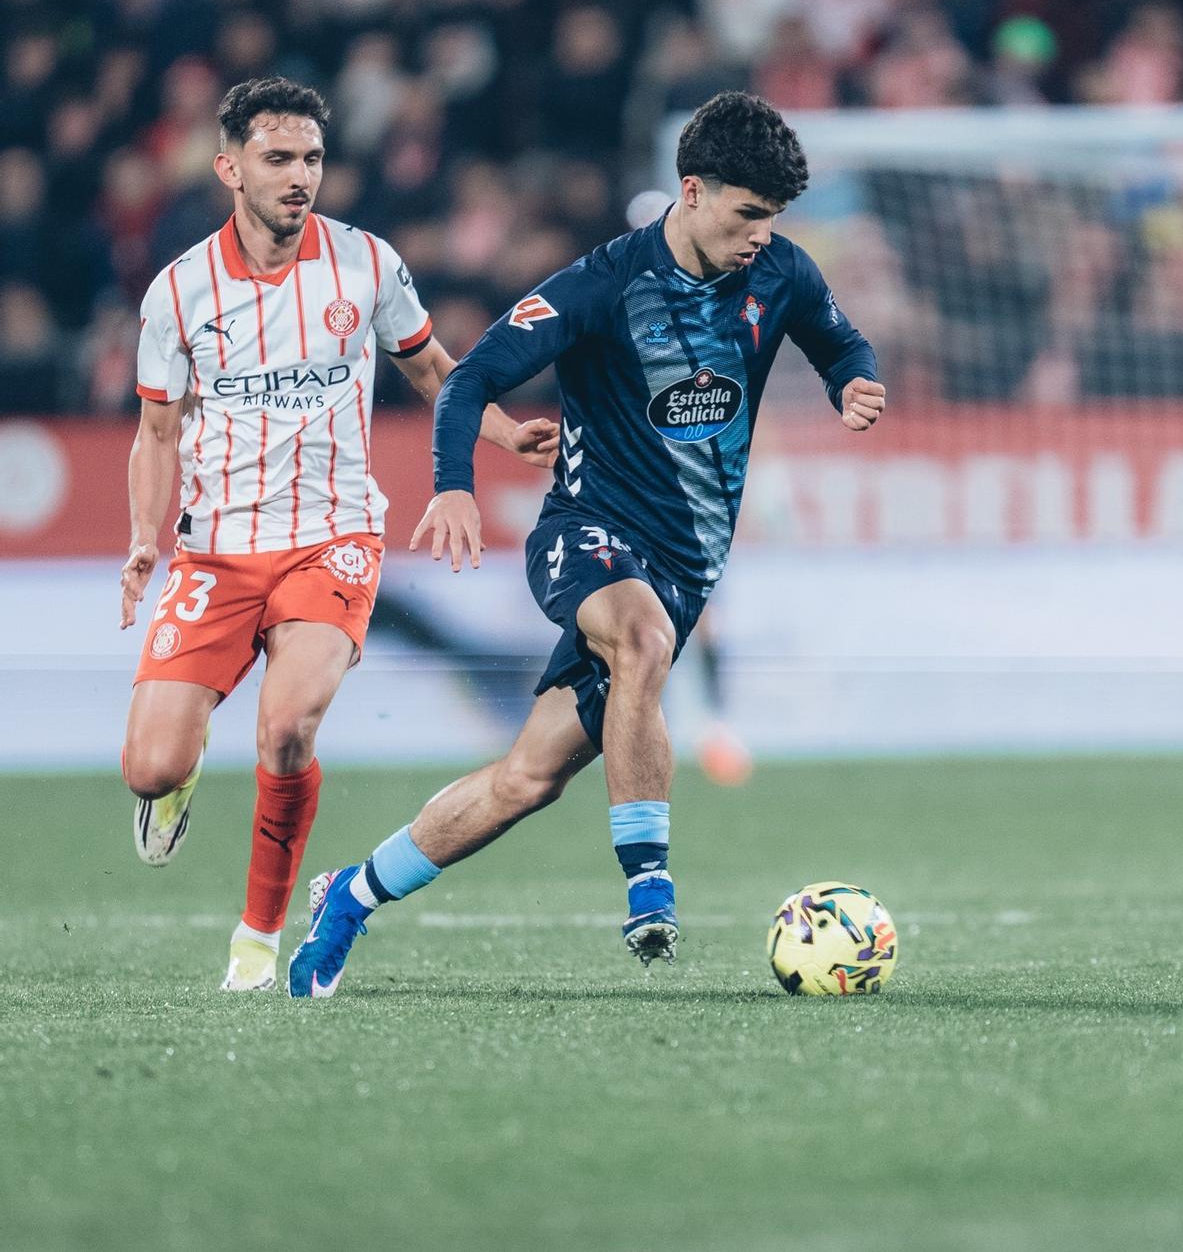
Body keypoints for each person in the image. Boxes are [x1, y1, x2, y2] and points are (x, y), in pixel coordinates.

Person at [287, 91, 885, 999]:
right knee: (639, 639)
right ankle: (649, 882)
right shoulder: (603, 284)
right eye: (748, 213)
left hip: (685, 567)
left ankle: (351, 894)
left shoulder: (782, 274)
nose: (762, 234)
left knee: (526, 780)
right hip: (584, 532)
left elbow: (841, 342)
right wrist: (455, 484)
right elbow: (472, 376)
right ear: (692, 190)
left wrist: (855, 385)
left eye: (773, 218)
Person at [119, 75, 557, 993]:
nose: (300, 176)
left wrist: (506, 429)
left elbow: (433, 366)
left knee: (288, 728)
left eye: (312, 158)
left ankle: (258, 934)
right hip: (215, 546)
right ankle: (184, 773)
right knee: (150, 766)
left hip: (335, 535)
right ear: (229, 166)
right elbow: (158, 431)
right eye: (279, 159)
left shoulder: (365, 262)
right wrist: (142, 539)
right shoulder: (179, 290)